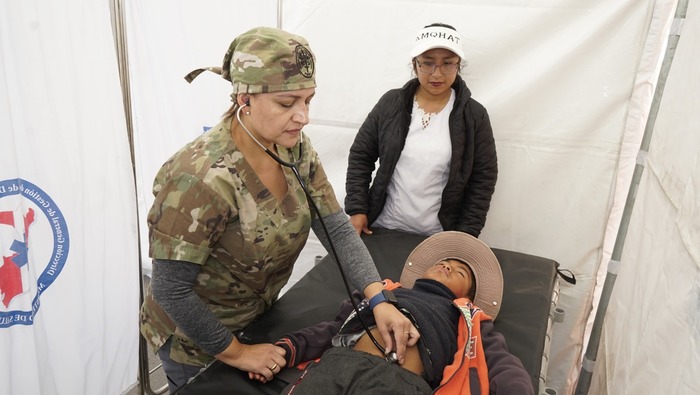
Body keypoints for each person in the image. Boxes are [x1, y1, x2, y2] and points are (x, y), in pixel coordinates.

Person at [139, 26, 417, 393]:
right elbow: (170, 290)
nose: (303, 117)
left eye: (308, 100)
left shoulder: (295, 150)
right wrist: (237, 353)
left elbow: (336, 229)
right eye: (288, 104)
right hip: (195, 342)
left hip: (256, 321)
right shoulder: (199, 178)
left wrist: (379, 299)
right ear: (245, 100)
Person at [272, 231, 534, 394]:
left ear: (467, 296)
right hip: (338, 362)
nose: (447, 266)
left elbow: (500, 362)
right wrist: (285, 349)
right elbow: (331, 328)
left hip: (399, 381)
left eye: (460, 271)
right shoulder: (382, 292)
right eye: (444, 262)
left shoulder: (467, 316)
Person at [345, 23, 498, 237]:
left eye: (447, 64)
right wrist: (357, 208)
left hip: (438, 234)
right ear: (415, 64)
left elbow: (483, 178)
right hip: (382, 226)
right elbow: (361, 155)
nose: (437, 74)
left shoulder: (474, 115)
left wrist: (465, 234)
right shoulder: (391, 104)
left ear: (458, 65)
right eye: (427, 63)